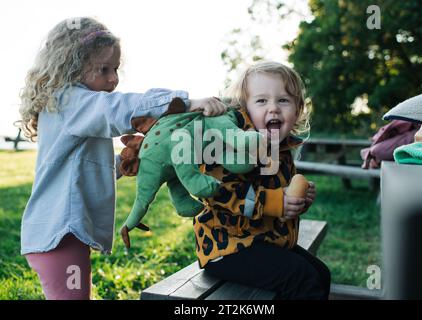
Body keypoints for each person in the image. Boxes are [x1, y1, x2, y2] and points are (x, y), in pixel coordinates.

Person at [18, 17, 226, 300]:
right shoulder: (71, 102)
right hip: (60, 237)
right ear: (72, 66)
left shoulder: (71, 108)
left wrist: (122, 164)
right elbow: (117, 108)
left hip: (59, 237)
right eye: (104, 69)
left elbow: (78, 169)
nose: (114, 78)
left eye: (115, 69)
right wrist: (184, 103)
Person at [194, 61, 331, 299]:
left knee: (320, 273)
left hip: (264, 242)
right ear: (244, 108)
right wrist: (276, 202)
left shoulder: (283, 150)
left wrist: (299, 201)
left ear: (297, 109)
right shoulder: (232, 145)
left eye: (283, 100)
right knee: (302, 278)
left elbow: (282, 200)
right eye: (261, 101)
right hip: (227, 247)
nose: (274, 108)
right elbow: (220, 193)